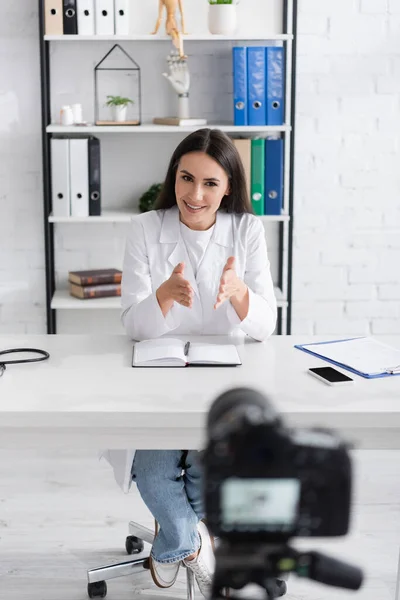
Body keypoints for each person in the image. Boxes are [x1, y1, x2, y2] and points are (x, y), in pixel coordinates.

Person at [120, 128, 277, 597]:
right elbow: (133, 324)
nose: (195, 194)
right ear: (174, 176)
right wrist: (163, 298)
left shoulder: (247, 229)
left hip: (226, 380)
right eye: (187, 178)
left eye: (210, 183)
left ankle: (170, 544)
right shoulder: (146, 228)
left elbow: (265, 326)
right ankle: (191, 542)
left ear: (228, 186)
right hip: (159, 374)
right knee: (151, 469)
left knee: (215, 465)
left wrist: (241, 295)